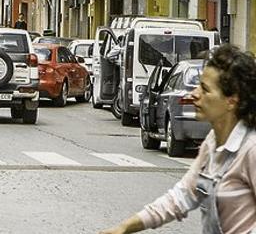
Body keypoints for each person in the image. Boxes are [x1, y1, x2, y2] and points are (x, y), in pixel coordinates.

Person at [99, 44, 256, 234]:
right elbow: (180, 198)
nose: (194, 94)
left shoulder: (250, 149)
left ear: (232, 100)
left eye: (205, 90)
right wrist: (124, 228)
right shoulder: (213, 142)